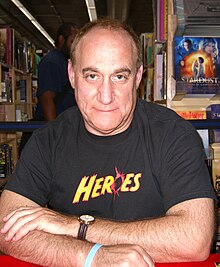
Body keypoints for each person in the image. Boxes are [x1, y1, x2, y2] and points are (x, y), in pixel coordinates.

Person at [0, 18, 216, 267]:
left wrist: (73, 227)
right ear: (72, 75)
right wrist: (90, 256)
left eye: (119, 77)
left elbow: (194, 239)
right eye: (92, 76)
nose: (105, 96)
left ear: (138, 78)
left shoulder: (174, 134)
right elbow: (7, 227)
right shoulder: (48, 141)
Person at [18, 23, 79, 155]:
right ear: (62, 39)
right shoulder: (53, 61)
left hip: (67, 126)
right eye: (72, 41)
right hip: (57, 127)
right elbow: (47, 98)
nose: (75, 46)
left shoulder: (66, 61)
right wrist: (54, 133)